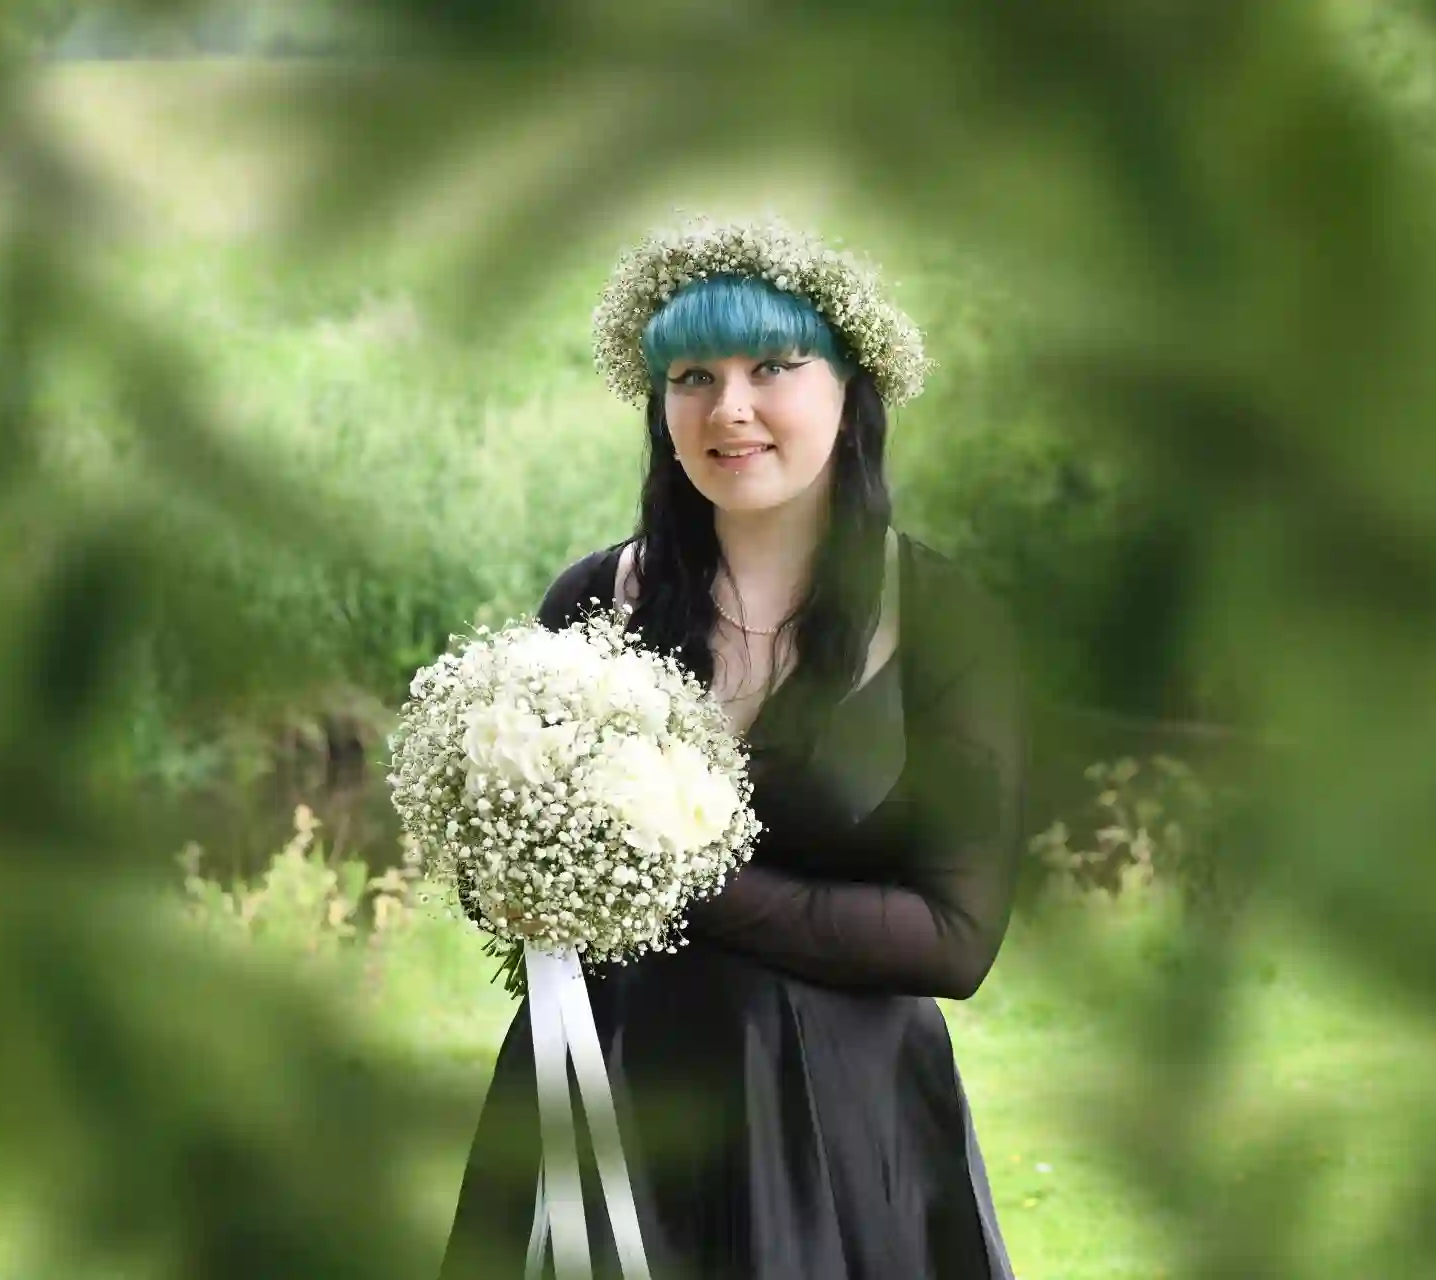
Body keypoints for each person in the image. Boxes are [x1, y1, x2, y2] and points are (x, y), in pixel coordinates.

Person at [438, 215, 1028, 1280]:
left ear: (852, 387)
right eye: (693, 375)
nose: (730, 407)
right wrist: (514, 859)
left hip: (842, 1131)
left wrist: (665, 871)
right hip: (610, 1100)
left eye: (773, 367)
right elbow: (518, 888)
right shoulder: (592, 602)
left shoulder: (944, 618)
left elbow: (954, 937)